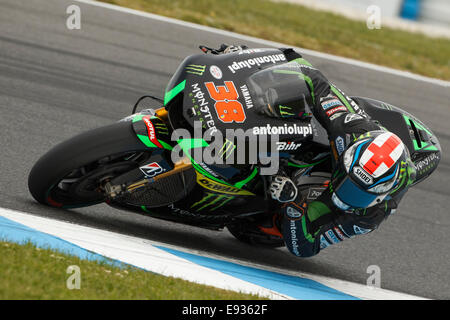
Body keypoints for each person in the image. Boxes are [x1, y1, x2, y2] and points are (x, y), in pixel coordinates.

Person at [209, 44, 438, 257]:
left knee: (285, 225)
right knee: (288, 105)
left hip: (306, 203)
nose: (345, 195)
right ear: (349, 155)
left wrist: (294, 203)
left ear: (379, 195)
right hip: (359, 133)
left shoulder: (368, 217)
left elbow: (306, 248)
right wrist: (242, 60)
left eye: (358, 194)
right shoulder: (346, 126)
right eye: (348, 184)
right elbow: (309, 74)